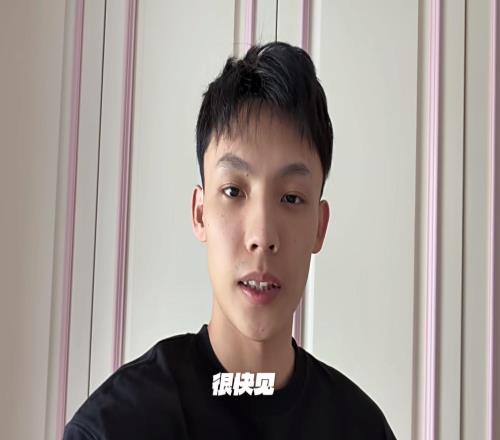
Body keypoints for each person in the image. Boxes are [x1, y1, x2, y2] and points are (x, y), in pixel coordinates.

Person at [64, 41, 397, 439]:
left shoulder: (361, 428)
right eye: (234, 191)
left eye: (291, 198)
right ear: (199, 213)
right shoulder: (114, 427)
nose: (262, 236)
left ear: (319, 227)